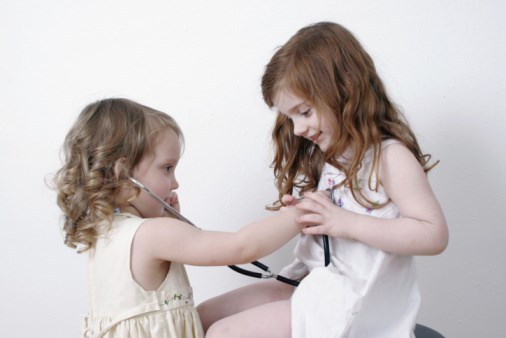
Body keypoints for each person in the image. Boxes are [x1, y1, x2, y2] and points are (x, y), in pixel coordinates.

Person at [197, 21, 449, 338]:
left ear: (345, 91)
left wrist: (343, 223)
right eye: (290, 118)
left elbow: (433, 234)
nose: (297, 129)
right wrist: (309, 213)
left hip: (357, 303)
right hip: (318, 284)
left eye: (304, 112)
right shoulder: (334, 157)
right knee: (201, 317)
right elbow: (338, 229)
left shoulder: (390, 157)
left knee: (226, 332)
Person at [53, 98, 309, 338]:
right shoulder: (151, 234)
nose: (175, 182)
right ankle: (312, 308)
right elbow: (240, 247)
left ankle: (288, 290)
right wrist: (297, 215)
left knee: (208, 313)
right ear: (122, 174)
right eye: (167, 168)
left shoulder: (108, 231)